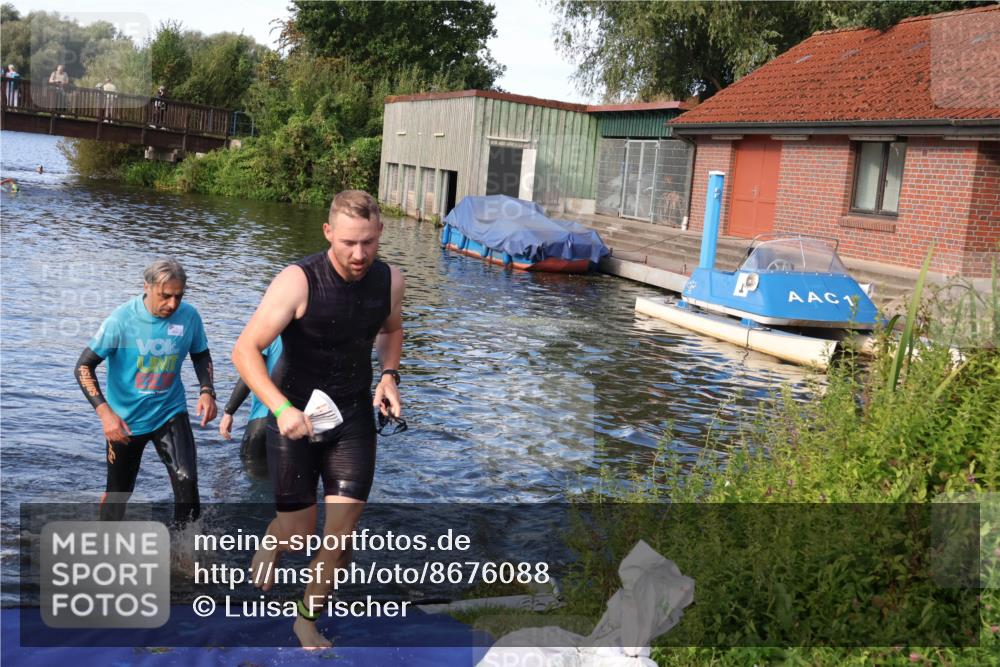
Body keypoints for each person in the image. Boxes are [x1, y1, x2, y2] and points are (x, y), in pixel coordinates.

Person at [232, 189, 405, 649]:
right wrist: (281, 408)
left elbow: (391, 330)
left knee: (341, 535)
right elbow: (244, 350)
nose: (359, 253)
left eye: (368, 242)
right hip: (296, 416)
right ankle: (274, 536)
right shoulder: (298, 280)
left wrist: (389, 376)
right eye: (349, 242)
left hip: (352, 418)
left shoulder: (390, 280)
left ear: (380, 233)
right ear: (329, 232)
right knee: (297, 533)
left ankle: (305, 620)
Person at [75, 258, 218, 525]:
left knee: (187, 480)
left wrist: (207, 390)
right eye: (165, 296)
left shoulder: (189, 317)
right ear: (147, 287)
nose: (173, 304)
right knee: (120, 493)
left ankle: (185, 551)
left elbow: (200, 353)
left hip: (169, 411)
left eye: (178, 296)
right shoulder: (121, 321)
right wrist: (105, 414)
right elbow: (83, 367)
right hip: (125, 421)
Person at [219, 337, 283, 479]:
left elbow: (249, 373)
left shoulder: (270, 335)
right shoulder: (314, 336)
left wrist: (229, 411)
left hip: (263, 420)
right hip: (298, 421)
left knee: (253, 480)